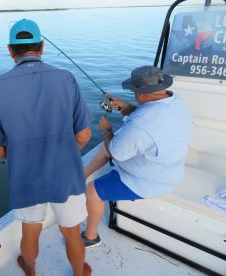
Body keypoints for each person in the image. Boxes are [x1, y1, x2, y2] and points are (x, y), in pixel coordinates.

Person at [0, 19, 92, 276]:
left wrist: (13, 157)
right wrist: (64, 154)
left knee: (30, 230)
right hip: (66, 176)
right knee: (72, 233)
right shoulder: (66, 78)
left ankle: (30, 269)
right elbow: (83, 134)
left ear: (10, 50)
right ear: (41, 46)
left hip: (25, 178)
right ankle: (79, 272)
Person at [81, 66, 193, 248]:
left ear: (140, 94)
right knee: (106, 148)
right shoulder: (175, 101)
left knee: (92, 192)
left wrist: (107, 130)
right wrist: (127, 107)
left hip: (148, 181)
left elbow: (116, 154)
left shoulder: (141, 123)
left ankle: (90, 236)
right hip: (171, 169)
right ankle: (81, 176)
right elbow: (151, 118)